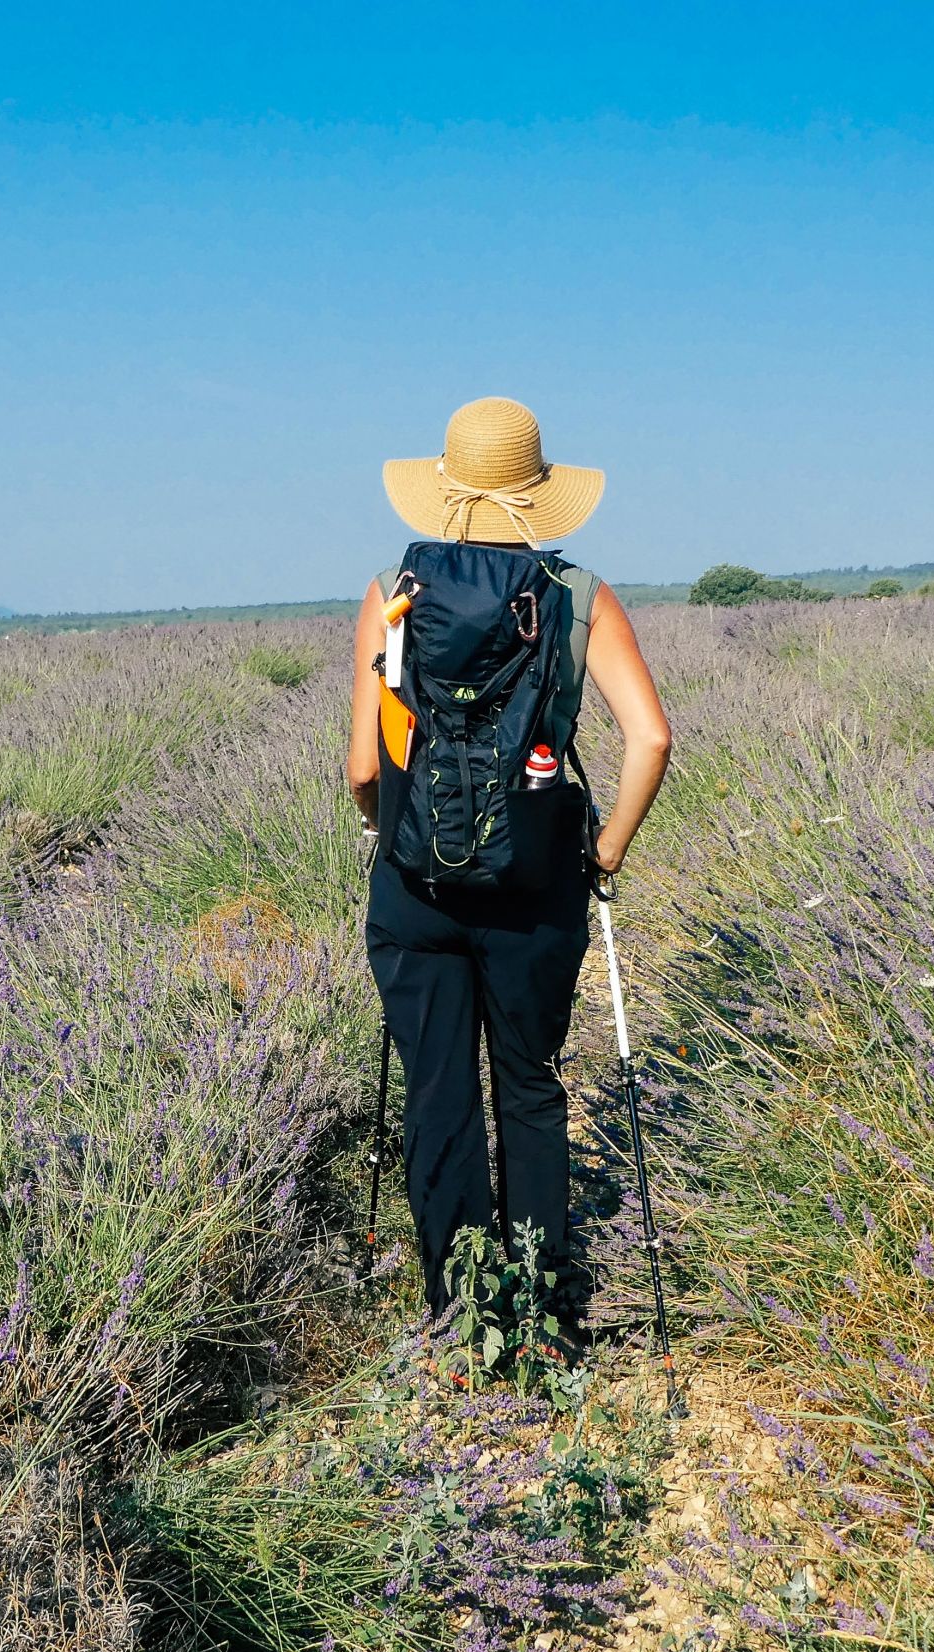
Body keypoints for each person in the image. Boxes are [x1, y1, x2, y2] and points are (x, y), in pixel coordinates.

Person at [346, 396, 672, 1348]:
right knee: (528, 1084)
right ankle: (542, 1306)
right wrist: (603, 852)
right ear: (540, 494)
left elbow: (365, 768)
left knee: (438, 1092)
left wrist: (395, 835)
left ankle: (459, 1313)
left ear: (444, 489)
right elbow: (649, 737)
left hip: (415, 888)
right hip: (535, 885)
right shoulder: (580, 595)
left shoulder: (390, 588)